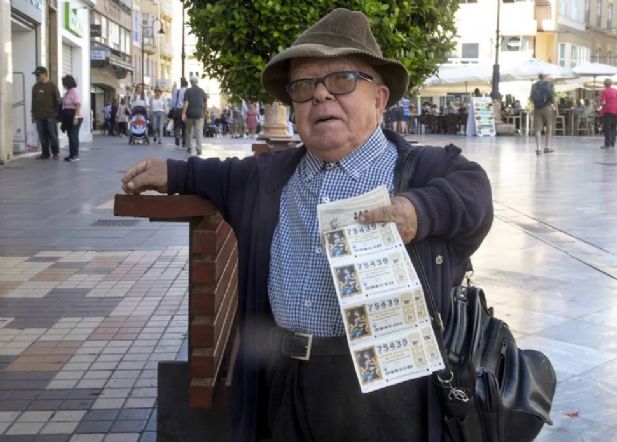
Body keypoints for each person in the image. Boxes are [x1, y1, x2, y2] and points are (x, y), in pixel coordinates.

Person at [121, 8, 493, 442]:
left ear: (379, 98)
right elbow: (216, 174)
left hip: (392, 393)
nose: (320, 96)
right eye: (304, 87)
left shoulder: (423, 169)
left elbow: (475, 196)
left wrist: (417, 212)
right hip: (287, 381)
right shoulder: (271, 177)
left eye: (342, 80)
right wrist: (169, 170)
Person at [31, 66, 61, 160]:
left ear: (45, 74)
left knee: (52, 135)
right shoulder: (35, 86)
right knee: (42, 135)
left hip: (50, 116)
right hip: (39, 116)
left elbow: (58, 101)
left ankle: (55, 153)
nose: (37, 77)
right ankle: (45, 153)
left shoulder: (52, 86)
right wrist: (33, 113)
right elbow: (33, 101)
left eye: (38, 75)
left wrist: (57, 113)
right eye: (36, 75)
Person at [530, 73, 556, 155]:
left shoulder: (534, 86)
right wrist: (555, 108)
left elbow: (531, 98)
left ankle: (538, 149)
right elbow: (554, 97)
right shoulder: (550, 84)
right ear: (545, 76)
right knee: (549, 126)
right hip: (547, 107)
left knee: (537, 129)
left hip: (537, 108)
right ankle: (547, 147)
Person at [59, 75, 83, 162]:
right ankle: (71, 154)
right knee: (70, 136)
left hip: (75, 116)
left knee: (73, 136)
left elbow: (78, 105)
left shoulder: (74, 92)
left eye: (64, 83)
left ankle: (75, 155)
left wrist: (75, 117)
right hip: (68, 117)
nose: (63, 85)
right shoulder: (68, 92)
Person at [182, 76, 207, 155]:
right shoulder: (202, 91)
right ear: (197, 82)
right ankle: (199, 149)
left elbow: (186, 103)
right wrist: (204, 112)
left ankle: (189, 147)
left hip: (190, 114)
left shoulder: (188, 91)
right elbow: (205, 103)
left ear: (191, 83)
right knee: (199, 132)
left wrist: (183, 113)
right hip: (199, 114)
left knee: (189, 131)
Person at [599, 78, 617, 149]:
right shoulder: (616, 91)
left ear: (604, 84)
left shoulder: (605, 91)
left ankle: (607, 144)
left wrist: (599, 105)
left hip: (608, 111)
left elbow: (603, 102)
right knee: (613, 128)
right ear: (611, 84)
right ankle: (612, 144)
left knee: (607, 128)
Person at [171, 79, 188, 147]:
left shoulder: (177, 91)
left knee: (177, 126)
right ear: (186, 85)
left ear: (181, 85)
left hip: (177, 110)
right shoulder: (187, 91)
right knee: (185, 127)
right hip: (185, 110)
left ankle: (177, 138)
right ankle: (184, 142)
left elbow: (173, 103)